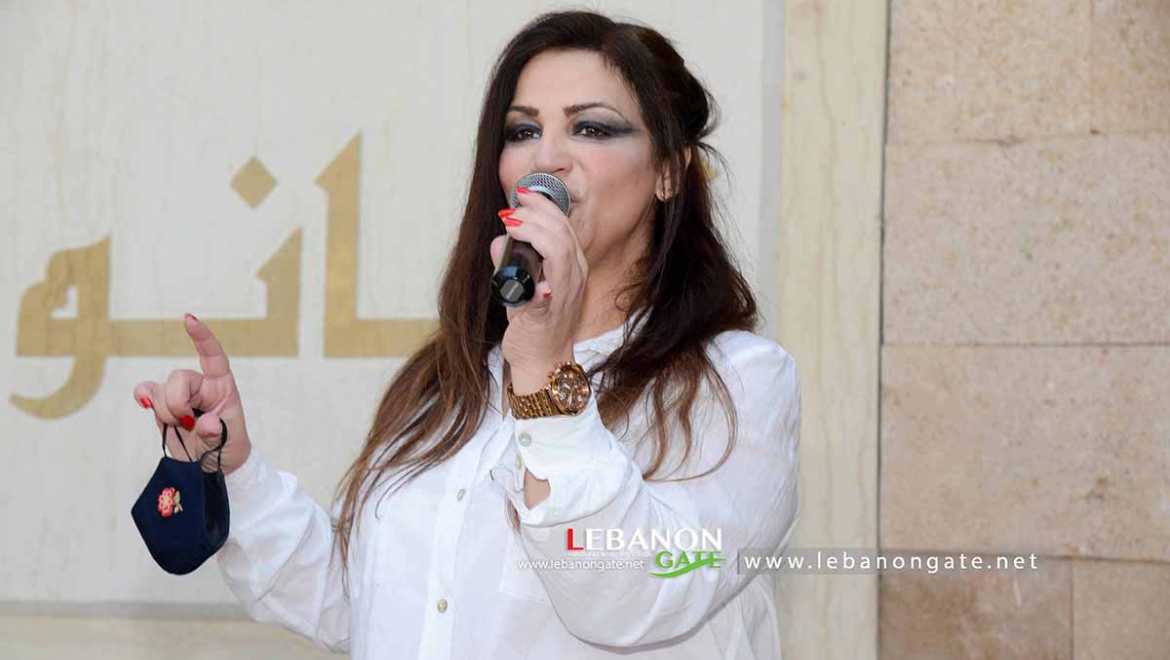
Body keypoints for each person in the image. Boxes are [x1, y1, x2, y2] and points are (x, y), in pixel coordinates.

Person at [132, 9, 800, 659]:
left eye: (591, 128)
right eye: (522, 131)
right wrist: (235, 466)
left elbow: (632, 596)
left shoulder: (738, 385)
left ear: (668, 170)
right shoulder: (447, 381)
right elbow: (363, 606)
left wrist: (546, 379)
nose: (547, 159)